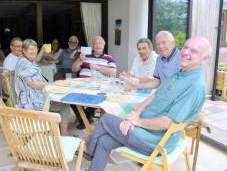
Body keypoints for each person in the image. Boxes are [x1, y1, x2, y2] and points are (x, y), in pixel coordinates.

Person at [85, 36, 211, 171]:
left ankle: (88, 152)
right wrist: (133, 117)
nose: (186, 52)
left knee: (106, 119)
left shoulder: (195, 86)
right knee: (104, 141)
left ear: (205, 59)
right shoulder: (180, 74)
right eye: (185, 47)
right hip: (144, 130)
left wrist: (137, 122)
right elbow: (153, 96)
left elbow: (167, 122)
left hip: (155, 142)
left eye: (194, 51)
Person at [14, 39, 71, 135]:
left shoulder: (25, 60)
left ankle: (59, 132)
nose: (33, 51)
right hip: (31, 103)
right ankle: (64, 137)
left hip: (30, 98)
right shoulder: (25, 64)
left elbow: (35, 60)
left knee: (58, 99)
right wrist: (53, 84)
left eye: (35, 49)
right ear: (24, 50)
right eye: (30, 49)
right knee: (64, 105)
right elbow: (33, 84)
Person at [72, 36, 117, 129]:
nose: (97, 45)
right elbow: (74, 68)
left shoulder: (108, 58)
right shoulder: (85, 56)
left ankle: (85, 119)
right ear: (92, 45)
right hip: (82, 85)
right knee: (71, 98)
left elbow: (113, 72)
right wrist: (80, 59)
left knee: (97, 97)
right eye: (95, 43)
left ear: (104, 45)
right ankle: (86, 118)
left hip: (98, 86)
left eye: (100, 43)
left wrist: (98, 67)